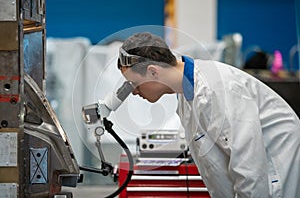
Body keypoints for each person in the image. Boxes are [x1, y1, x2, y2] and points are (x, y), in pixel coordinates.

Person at [117, 32, 300, 198]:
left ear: (153, 71)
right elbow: (217, 164)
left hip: (275, 169)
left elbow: (249, 167)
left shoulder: (218, 89)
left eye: (134, 83)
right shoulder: (186, 93)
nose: (134, 92)